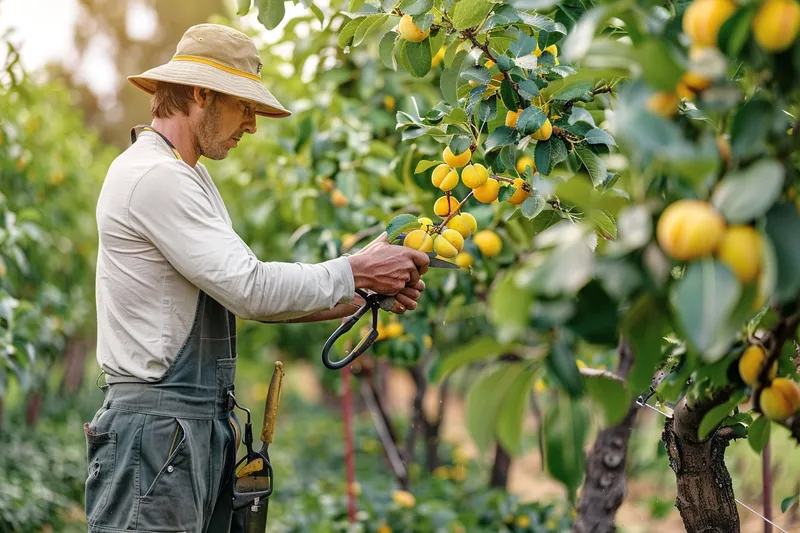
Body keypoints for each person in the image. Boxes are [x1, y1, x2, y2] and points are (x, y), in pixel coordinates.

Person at [84, 23, 429, 533]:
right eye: (243, 106)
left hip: (185, 432)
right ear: (201, 94)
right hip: (157, 437)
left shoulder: (189, 177)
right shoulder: (154, 177)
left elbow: (245, 291)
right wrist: (357, 268)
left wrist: (364, 290)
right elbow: (252, 289)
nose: (251, 124)